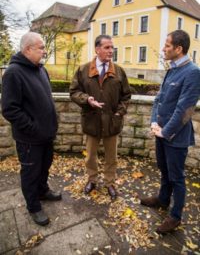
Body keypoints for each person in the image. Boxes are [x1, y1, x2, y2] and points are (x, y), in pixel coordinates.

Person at [140, 30, 200, 234]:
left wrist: (165, 132)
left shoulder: (193, 72)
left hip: (175, 137)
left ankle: (175, 216)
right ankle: (163, 199)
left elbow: (185, 110)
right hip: (161, 132)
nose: (164, 48)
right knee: (164, 171)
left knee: (177, 178)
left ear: (178, 49)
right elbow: (159, 99)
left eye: (167, 45)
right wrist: (154, 122)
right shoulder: (172, 69)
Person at [1, 32, 61, 226]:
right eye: (41, 48)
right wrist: (33, 127)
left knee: (44, 167)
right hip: (29, 139)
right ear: (27, 49)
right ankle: (33, 206)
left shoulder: (41, 70)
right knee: (30, 173)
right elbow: (9, 109)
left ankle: (42, 191)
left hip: (46, 135)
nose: (44, 51)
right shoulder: (13, 73)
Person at [70, 35, 131, 200]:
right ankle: (92, 180)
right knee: (90, 156)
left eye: (112, 48)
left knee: (111, 157)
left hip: (112, 122)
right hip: (92, 121)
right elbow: (74, 92)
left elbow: (126, 96)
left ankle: (110, 183)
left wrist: (119, 113)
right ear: (97, 49)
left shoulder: (118, 71)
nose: (111, 51)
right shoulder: (83, 70)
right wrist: (87, 99)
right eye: (107, 47)